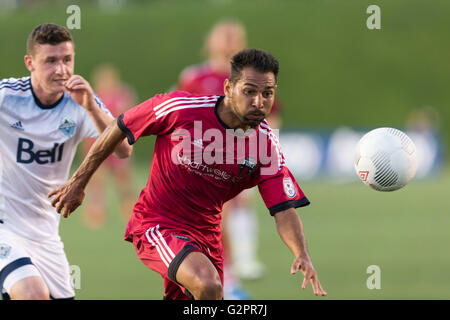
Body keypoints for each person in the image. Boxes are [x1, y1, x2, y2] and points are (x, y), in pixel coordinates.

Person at [49, 49, 327, 300]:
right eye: (249, 91)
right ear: (229, 88)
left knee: (204, 294)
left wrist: (301, 252)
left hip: (207, 238)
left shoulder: (265, 144)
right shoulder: (181, 109)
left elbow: (283, 208)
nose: (259, 101)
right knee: (208, 286)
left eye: (267, 93)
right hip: (157, 224)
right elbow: (121, 126)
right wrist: (78, 181)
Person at [0, 23, 132, 300]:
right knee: (32, 292)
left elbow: (123, 150)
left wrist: (91, 107)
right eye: (50, 61)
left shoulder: (81, 102)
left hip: (45, 234)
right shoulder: (7, 96)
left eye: (67, 59)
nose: (61, 69)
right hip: (5, 226)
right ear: (30, 63)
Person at [177, 20, 282, 298]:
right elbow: (181, 115)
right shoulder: (194, 76)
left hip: (241, 155)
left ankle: (236, 270)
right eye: (223, 37)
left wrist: (268, 152)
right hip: (203, 158)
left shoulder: (255, 78)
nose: (228, 42)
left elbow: (271, 116)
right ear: (210, 41)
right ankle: (227, 277)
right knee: (214, 220)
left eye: (234, 37)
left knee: (236, 209)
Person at [81, 64, 137, 229]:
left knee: (122, 178)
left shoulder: (123, 95)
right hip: (97, 143)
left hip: (118, 143)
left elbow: (131, 116)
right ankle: (97, 210)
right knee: (96, 178)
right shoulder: (92, 97)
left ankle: (129, 208)